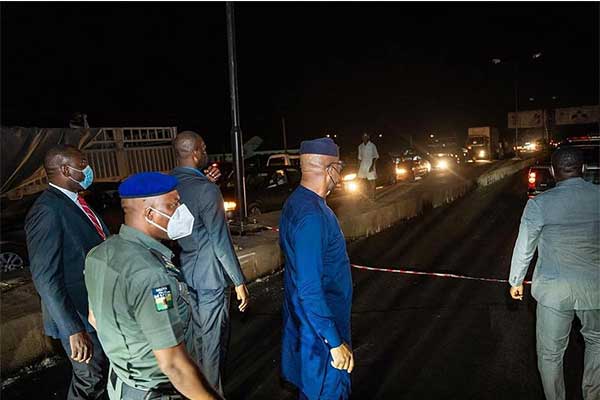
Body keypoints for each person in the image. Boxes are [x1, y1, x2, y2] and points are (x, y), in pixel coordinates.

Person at [84, 172, 220, 400]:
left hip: (122, 384)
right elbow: (173, 365)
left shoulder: (99, 254)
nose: (181, 212)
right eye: (173, 205)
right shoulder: (151, 274)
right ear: (149, 213)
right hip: (156, 390)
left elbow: (94, 319)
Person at [508, 147, 599, 400]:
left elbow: (525, 244)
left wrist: (516, 280)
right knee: (598, 342)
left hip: (553, 291)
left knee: (550, 354)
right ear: (583, 169)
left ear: (552, 171)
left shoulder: (539, 204)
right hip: (596, 289)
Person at [25, 145, 109, 400]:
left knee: (100, 376)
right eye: (82, 164)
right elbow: (45, 277)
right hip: (78, 316)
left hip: (95, 309)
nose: (88, 169)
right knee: (90, 381)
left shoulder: (76, 202)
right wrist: (72, 329)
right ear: (64, 169)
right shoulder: (47, 210)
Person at [170, 131, 249, 394]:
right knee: (212, 345)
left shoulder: (166, 185)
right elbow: (220, 241)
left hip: (182, 275)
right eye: (203, 148)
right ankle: (213, 394)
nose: (206, 153)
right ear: (195, 152)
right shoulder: (207, 190)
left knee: (192, 342)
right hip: (210, 278)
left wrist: (204, 183)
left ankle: (191, 392)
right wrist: (238, 281)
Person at [280, 137, 354, 400]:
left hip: (306, 325)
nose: (340, 174)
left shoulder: (295, 203)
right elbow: (309, 287)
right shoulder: (312, 216)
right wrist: (334, 342)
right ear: (329, 168)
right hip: (321, 334)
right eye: (340, 167)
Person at [357, 133, 379, 200]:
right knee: (361, 181)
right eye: (363, 136)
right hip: (363, 166)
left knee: (372, 181)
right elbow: (359, 158)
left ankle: (373, 196)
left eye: (366, 136)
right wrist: (358, 168)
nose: (364, 138)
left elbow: (375, 156)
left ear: (368, 137)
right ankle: (364, 195)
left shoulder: (372, 145)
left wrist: (372, 166)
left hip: (370, 165)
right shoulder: (360, 146)